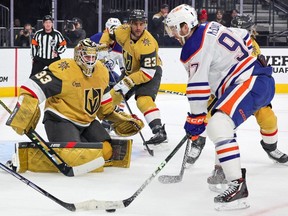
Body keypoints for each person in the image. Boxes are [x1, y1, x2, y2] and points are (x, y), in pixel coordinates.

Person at [165, 4, 277, 210]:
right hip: (255, 80)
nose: (172, 33)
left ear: (186, 25)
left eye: (175, 28)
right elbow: (243, 35)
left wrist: (195, 118)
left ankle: (237, 185)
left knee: (218, 124)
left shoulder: (193, 46)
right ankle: (223, 171)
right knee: (222, 125)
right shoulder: (211, 26)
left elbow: (197, 88)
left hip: (250, 81)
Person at [6, 38, 144, 164]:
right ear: (78, 56)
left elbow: (104, 105)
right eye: (87, 56)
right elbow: (33, 86)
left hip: (87, 121)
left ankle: (79, 147)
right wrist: (25, 108)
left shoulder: (101, 71)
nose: (90, 60)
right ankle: (24, 159)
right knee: (73, 157)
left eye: (93, 56)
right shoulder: (64, 69)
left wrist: (118, 118)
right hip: (60, 119)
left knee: (107, 152)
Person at [100, 9, 168, 145]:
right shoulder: (122, 31)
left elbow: (147, 73)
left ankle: (159, 131)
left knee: (143, 99)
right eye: (135, 23)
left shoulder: (149, 44)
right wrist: (103, 49)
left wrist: (128, 81)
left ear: (146, 24)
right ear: (130, 23)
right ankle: (106, 123)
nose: (138, 27)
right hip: (131, 70)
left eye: (141, 24)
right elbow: (108, 34)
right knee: (112, 97)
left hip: (150, 71)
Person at [90, 17, 125, 132]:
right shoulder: (95, 39)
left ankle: (112, 117)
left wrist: (122, 82)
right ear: (106, 29)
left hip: (108, 75)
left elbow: (123, 68)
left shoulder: (120, 44)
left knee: (123, 88)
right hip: (92, 74)